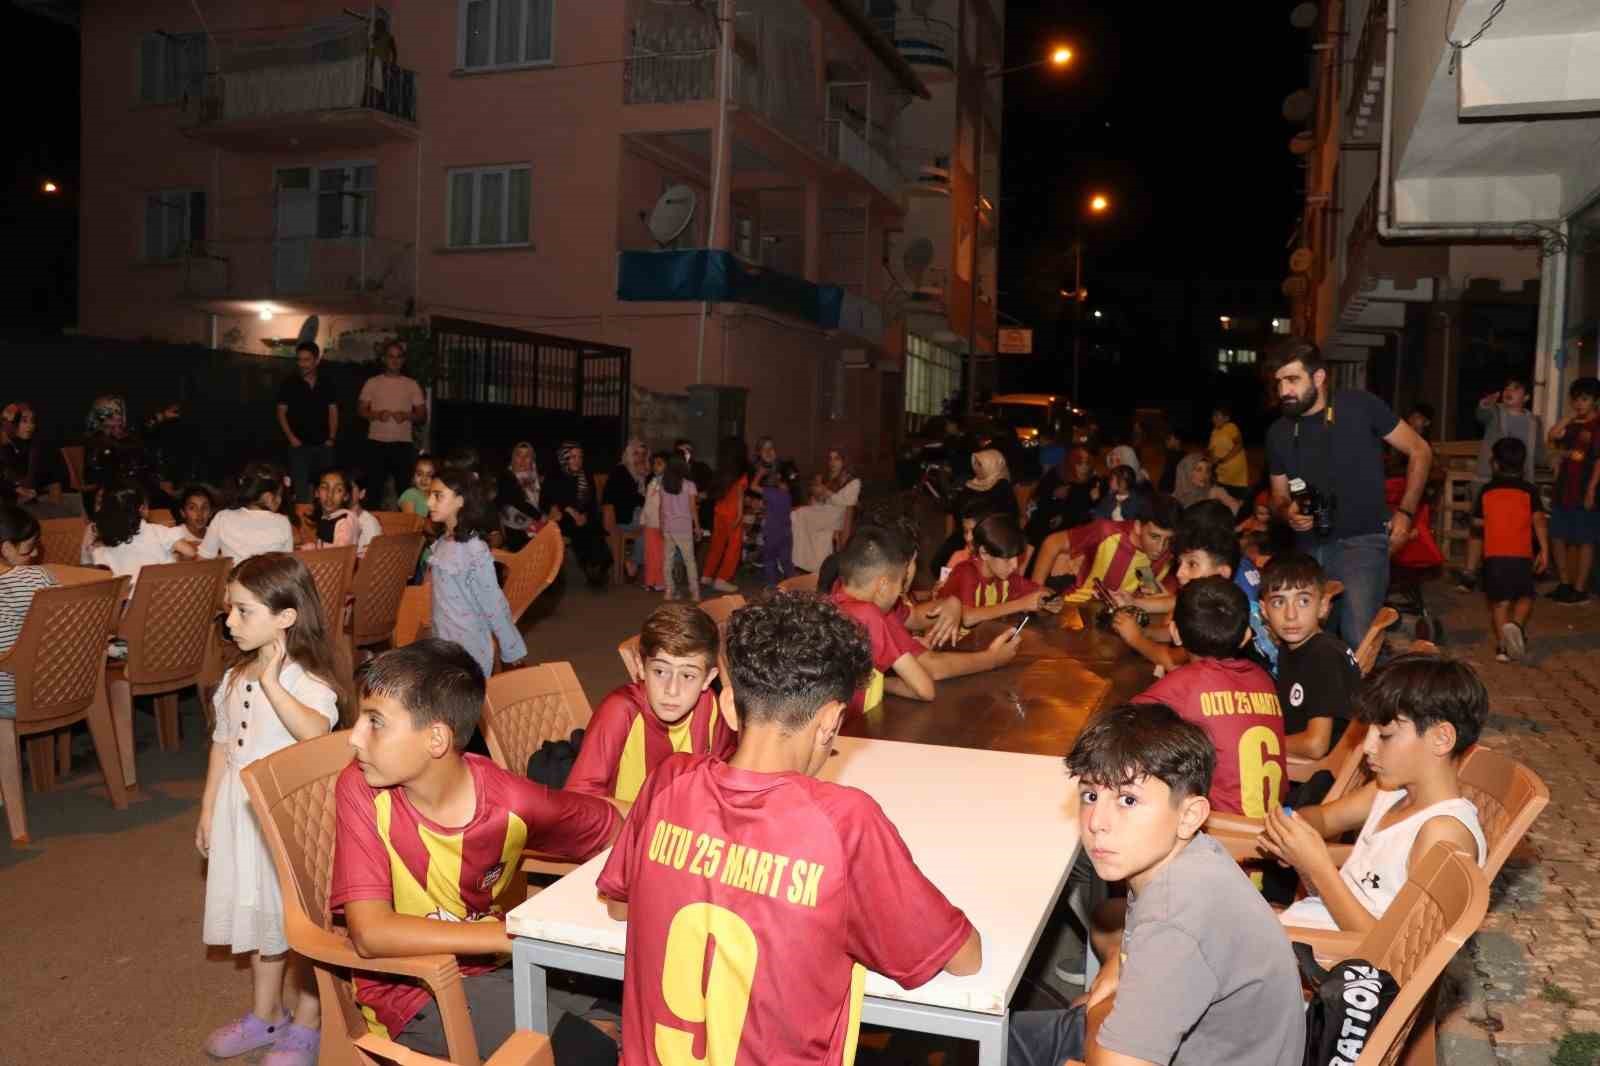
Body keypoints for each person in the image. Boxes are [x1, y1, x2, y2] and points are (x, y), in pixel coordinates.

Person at [597, 593, 982, 1066]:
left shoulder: (667, 782)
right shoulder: (846, 822)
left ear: (730, 706)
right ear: (830, 723)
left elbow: (620, 906)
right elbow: (964, 959)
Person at [332, 640, 622, 1057]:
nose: (355, 739)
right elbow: (370, 933)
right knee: (590, 1053)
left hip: (504, 964)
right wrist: (503, 936)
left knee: (643, 1011)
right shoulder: (360, 788)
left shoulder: (511, 801)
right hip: (415, 990)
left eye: (375, 721)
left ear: (435, 739)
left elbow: (612, 825)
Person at [1007, 702, 1305, 1066]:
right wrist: (1120, 969)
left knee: (993, 1044)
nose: (1097, 821)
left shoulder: (1175, 917)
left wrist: (1103, 1008)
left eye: (1128, 800)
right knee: (998, 1037)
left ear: (1190, 815)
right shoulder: (1190, 859)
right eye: (1090, 795)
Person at [197, 553, 343, 1066]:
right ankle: (266, 1014)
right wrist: (209, 806)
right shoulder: (236, 677)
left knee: (299, 925)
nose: (230, 622)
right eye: (229, 611)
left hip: (287, 820)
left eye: (243, 611)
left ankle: (310, 1021)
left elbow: (316, 732)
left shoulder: (307, 681)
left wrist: (274, 681)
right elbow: (222, 743)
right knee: (259, 920)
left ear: (285, 617)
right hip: (243, 816)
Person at [1263, 654, 1487, 933]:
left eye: (1384, 735)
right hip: (1309, 928)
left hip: (1336, 962)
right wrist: (1295, 832)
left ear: (1441, 739)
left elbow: (1395, 955)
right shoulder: (1391, 792)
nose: (1368, 746)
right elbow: (1323, 818)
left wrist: (1318, 866)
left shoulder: (1443, 833)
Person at [1266, 339, 1432, 647]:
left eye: (1292, 380)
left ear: (1318, 378)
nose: (1284, 391)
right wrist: (1287, 511)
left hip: (1363, 542)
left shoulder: (1359, 406)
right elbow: (1278, 496)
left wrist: (1406, 512)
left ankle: (1374, 688)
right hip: (1307, 551)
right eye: (1279, 382)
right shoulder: (1278, 433)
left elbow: (1419, 450)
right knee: (1309, 644)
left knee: (1358, 638)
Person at [1130, 577, 1285, 817]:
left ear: (1175, 634)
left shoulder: (1185, 684)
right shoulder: (1263, 678)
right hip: (1271, 826)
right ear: (1245, 636)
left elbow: (1117, 730)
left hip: (1224, 832)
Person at [833, 525, 1020, 712]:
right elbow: (926, 689)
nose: (901, 591)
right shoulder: (870, 615)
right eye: (903, 579)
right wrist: (993, 659)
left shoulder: (837, 600)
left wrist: (952, 602)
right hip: (854, 729)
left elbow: (912, 616)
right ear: (883, 583)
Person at [567, 603, 735, 808]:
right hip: (624, 833)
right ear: (641, 667)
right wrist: (656, 818)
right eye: (660, 672)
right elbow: (578, 803)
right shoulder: (620, 711)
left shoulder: (708, 704)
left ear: (708, 679)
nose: (672, 690)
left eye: (688, 676)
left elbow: (726, 774)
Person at [1110, 503, 1275, 674]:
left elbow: (1173, 661)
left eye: (1192, 564)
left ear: (1223, 573)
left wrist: (1136, 638)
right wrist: (1145, 630)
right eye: (1181, 563)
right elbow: (1191, 633)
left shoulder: (1224, 611)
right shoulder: (1231, 572)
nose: (1180, 573)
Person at [1258, 554, 1361, 805]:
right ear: (1263, 610)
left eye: (1303, 601)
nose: (1291, 615)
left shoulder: (1322, 656)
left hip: (1324, 785)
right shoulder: (1293, 647)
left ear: (1324, 605)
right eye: (1279, 602)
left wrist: (1262, 744)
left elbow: (1316, 744)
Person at [425, 466, 527, 679]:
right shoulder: (443, 542)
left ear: (461, 501)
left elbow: (493, 602)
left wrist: (511, 647)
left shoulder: (473, 549)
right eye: (429, 496)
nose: (429, 503)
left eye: (438, 496)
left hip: (468, 651)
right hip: (443, 646)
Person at [1457, 377, 1543, 591]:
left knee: (1514, 529)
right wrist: (1486, 402)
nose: (1509, 391)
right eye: (1507, 387)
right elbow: (1481, 414)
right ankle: (1469, 573)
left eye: (1516, 388)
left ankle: (1509, 572)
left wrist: (1557, 459)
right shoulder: (1495, 412)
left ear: (1527, 397)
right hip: (1489, 480)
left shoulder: (1534, 422)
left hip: (1520, 483)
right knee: (1479, 527)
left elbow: (1539, 454)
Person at [1470, 438, 1550, 662]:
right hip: (1522, 554)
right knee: (1525, 596)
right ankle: (1515, 625)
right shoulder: (1529, 491)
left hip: (1494, 555)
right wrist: (1544, 550)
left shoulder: (1486, 491)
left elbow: (1477, 524)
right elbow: (1539, 521)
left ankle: (1503, 647)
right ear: (1523, 465)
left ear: (1495, 464)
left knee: (1500, 601)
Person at [1030, 495, 1179, 603]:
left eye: (1168, 540)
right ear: (1138, 527)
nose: (1161, 548)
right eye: (1154, 537)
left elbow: (1150, 587)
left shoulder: (1168, 553)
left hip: (1119, 622)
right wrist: (1035, 591)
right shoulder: (1106, 531)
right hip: (1077, 608)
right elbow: (1052, 542)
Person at [937, 513, 1062, 626]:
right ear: (984, 552)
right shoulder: (966, 571)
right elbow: (968, 618)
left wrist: (1051, 600)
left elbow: (1040, 591)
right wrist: (1022, 604)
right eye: (1007, 559)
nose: (1014, 565)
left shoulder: (1006, 576)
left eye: (1016, 558)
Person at [1543, 376, 1600, 604]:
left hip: (1586, 489)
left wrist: (1591, 490)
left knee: (1585, 539)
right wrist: (1568, 417)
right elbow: (1552, 435)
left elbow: (1599, 461)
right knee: (1557, 534)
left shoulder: (1598, 426)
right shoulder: (1573, 424)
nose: (1579, 404)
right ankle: (1564, 583)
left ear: (1595, 400)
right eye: (1576, 399)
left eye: (1584, 399)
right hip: (1564, 488)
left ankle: (1580, 588)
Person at [0, 504, 55, 718]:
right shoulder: (37, 576)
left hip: (7, 699)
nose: (35, 552)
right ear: (6, 549)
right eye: (30, 546)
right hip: (45, 689)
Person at [87, 481, 191, 592]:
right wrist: (175, 556)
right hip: (168, 599)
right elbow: (190, 552)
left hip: (131, 606)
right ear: (143, 509)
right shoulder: (158, 532)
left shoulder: (101, 548)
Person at [358, 342, 426, 507]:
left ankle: (406, 528)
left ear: (403, 360)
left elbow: (422, 415)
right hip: (376, 443)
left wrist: (406, 415)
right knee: (374, 490)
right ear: (384, 359)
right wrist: (377, 415)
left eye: (399, 356)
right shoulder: (372, 383)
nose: (395, 360)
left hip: (402, 444)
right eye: (391, 356)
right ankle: (370, 528)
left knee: (404, 490)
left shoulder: (411, 384)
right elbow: (361, 411)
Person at [276, 342, 339, 503]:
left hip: (323, 445)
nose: (302, 364)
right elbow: (281, 413)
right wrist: (291, 438)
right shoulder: (289, 383)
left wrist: (331, 438)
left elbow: (333, 411)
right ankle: (303, 525)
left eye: (307, 360)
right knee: (301, 489)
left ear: (317, 360)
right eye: (299, 360)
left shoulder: (327, 383)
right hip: (299, 445)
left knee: (325, 488)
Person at [199, 465, 296, 565]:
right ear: (267, 497)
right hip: (271, 580)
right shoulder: (282, 521)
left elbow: (203, 560)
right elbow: (287, 565)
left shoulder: (222, 517)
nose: (280, 500)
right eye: (279, 495)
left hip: (234, 580)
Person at [544, 441, 611, 586]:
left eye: (580, 457)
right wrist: (572, 512)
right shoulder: (554, 475)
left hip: (584, 515)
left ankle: (597, 568)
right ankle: (590, 567)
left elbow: (592, 502)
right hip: (563, 517)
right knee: (579, 529)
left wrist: (585, 515)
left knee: (593, 529)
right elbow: (548, 500)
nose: (577, 460)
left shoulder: (586, 474)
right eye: (572, 457)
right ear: (564, 458)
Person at [791, 447, 863, 572]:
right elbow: (822, 501)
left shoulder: (854, 481)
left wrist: (825, 491)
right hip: (825, 513)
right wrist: (816, 495)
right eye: (830, 459)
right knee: (797, 514)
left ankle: (799, 561)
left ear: (845, 461)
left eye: (837, 458)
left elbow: (845, 502)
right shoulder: (828, 477)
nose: (832, 462)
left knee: (798, 514)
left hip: (839, 516)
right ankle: (810, 566)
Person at [702, 437, 750, 593]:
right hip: (733, 514)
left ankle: (707, 575)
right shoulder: (740, 473)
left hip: (719, 512)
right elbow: (740, 495)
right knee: (733, 548)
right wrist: (740, 514)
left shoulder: (721, 471)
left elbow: (714, 494)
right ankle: (722, 579)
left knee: (717, 545)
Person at [1026, 445, 1100, 546]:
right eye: (1079, 464)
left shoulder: (1093, 481)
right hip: (1046, 518)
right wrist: (1054, 494)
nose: (1084, 468)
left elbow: (1086, 509)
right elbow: (1039, 495)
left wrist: (1095, 500)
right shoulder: (1057, 474)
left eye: (1087, 464)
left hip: (1074, 525)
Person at [603, 438, 650, 582]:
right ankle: (636, 562)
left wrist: (644, 477)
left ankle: (636, 563)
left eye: (643, 454)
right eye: (636, 454)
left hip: (640, 514)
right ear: (629, 455)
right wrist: (639, 480)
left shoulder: (647, 473)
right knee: (653, 527)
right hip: (623, 517)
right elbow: (629, 498)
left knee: (655, 528)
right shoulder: (620, 471)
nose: (640, 458)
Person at [657, 454, 701, 602]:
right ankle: (695, 592)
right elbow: (693, 509)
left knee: (667, 560)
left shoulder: (664, 485)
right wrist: (698, 527)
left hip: (669, 528)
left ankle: (669, 591)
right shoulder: (689, 485)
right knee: (690, 560)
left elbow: (661, 508)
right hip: (684, 528)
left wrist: (662, 526)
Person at [494, 442, 544, 551]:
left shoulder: (536, 477)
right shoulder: (506, 477)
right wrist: (541, 517)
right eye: (519, 455)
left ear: (532, 459)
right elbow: (518, 501)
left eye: (527, 456)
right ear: (513, 457)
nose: (522, 459)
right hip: (513, 528)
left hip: (535, 527)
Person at [761, 459, 798, 584]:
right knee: (787, 562)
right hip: (786, 535)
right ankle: (795, 588)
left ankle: (772, 589)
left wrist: (759, 474)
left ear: (778, 477)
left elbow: (753, 487)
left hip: (772, 534)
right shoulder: (788, 496)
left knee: (770, 561)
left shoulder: (771, 492)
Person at [303, 467, 357, 551]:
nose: (330, 495)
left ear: (346, 496)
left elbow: (340, 551)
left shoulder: (345, 520)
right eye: (324, 487)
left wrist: (315, 547)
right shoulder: (326, 518)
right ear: (316, 492)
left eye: (338, 490)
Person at [1208, 404, 1250, 501]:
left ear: (1226, 418)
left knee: (1238, 503)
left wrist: (1224, 459)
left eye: (1217, 416)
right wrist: (1212, 459)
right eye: (1213, 416)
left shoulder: (1231, 427)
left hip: (1236, 476)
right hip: (1222, 475)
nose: (1214, 418)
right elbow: (1210, 450)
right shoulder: (1214, 432)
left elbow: (1239, 444)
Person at [640, 450, 667, 593]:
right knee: (650, 554)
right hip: (651, 524)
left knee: (661, 555)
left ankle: (661, 582)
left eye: (660, 464)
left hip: (662, 524)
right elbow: (648, 502)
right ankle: (650, 581)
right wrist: (644, 517)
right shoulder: (652, 482)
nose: (656, 466)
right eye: (654, 464)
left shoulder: (668, 484)